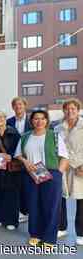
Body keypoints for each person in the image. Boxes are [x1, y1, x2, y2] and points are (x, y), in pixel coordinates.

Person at [15, 110, 69, 247]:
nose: (39, 122)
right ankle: (35, 234)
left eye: (42, 119)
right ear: (31, 121)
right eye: (36, 119)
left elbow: (64, 157)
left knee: (51, 207)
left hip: (51, 174)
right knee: (33, 205)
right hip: (31, 175)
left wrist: (58, 174)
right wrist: (25, 162)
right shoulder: (25, 137)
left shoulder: (54, 136)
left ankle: (49, 238)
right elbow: (18, 154)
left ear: (47, 121)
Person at [54, 98, 83, 245]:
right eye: (67, 109)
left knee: (82, 200)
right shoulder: (58, 128)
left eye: (73, 108)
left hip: (80, 167)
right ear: (64, 110)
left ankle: (81, 233)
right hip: (63, 166)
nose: (70, 111)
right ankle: (61, 227)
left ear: (78, 110)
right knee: (60, 198)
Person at [7, 97, 31, 223]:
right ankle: (22, 211)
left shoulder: (33, 119)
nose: (18, 107)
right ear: (13, 107)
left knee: (31, 185)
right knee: (18, 186)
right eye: (15, 105)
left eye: (20, 104)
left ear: (25, 106)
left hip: (31, 158)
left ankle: (30, 211)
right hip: (15, 159)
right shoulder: (9, 121)